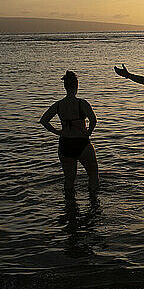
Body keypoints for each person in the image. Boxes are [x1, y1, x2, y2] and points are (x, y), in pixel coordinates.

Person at [40, 71, 99, 199]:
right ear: (77, 86)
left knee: (69, 180)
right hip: (81, 143)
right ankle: (94, 206)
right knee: (93, 175)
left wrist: (58, 132)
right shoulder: (82, 103)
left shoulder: (59, 104)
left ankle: (69, 208)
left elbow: (44, 120)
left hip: (65, 144)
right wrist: (88, 132)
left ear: (65, 87)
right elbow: (93, 120)